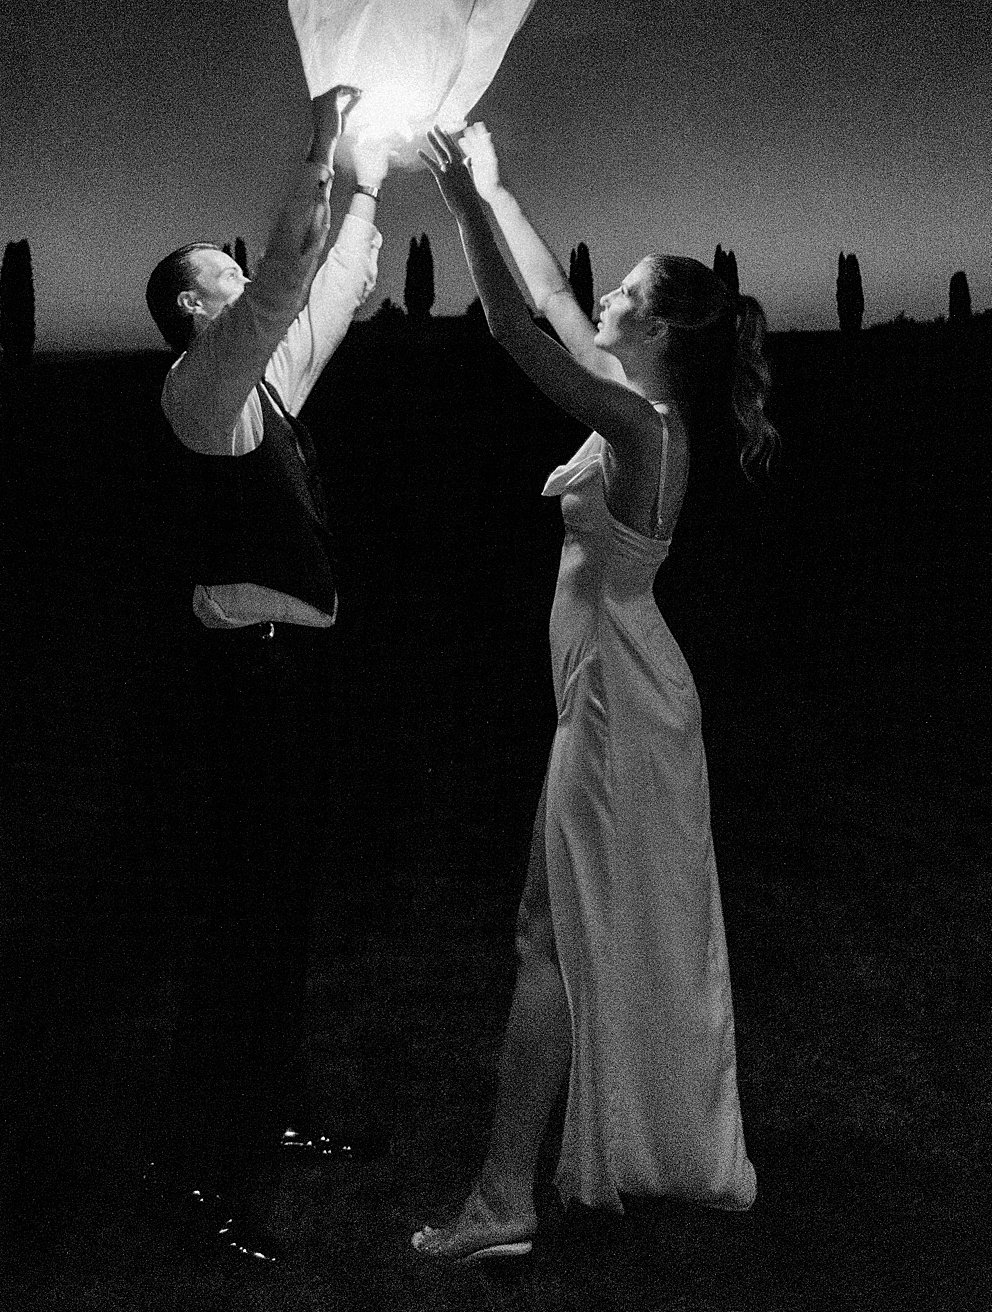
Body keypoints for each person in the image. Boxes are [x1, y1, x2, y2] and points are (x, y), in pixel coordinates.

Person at [411, 121, 777, 1264]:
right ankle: (521, 1187)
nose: (601, 295)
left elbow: (520, 329)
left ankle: (500, 1198)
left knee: (546, 936)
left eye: (620, 290)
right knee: (555, 933)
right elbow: (554, 310)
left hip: (621, 709)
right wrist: (492, 181)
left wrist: (463, 205)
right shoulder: (633, 399)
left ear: (656, 327)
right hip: (607, 696)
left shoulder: (639, 424)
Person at [143, 83, 388, 1266]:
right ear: (194, 306)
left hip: (295, 682)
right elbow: (290, 280)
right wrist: (317, 151)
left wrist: (367, 176)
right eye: (223, 275)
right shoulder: (201, 395)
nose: (246, 277)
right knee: (240, 923)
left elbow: (329, 288)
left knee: (281, 909)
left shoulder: (265, 388)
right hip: (246, 687)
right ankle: (200, 1169)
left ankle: (276, 1110)